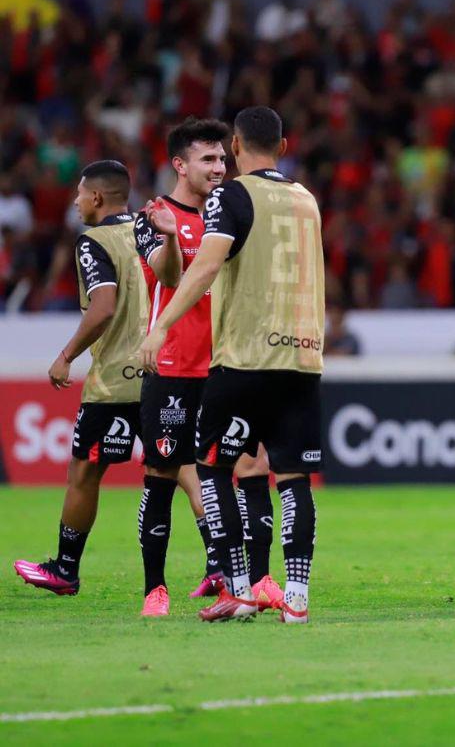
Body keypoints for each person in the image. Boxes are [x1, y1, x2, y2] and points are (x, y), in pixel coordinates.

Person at [138, 106, 325, 624]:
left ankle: (240, 588)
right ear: (284, 148)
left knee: (213, 465)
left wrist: (160, 325)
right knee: (291, 477)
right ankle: (298, 599)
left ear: (237, 147)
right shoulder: (307, 199)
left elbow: (206, 266)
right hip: (303, 355)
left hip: (245, 357)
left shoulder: (232, 195)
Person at [14, 161, 149, 596]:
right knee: (182, 467)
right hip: (165, 370)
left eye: (79, 193)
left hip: (117, 380)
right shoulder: (150, 230)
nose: (74, 201)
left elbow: (104, 306)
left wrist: (66, 355)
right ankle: (224, 567)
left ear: (96, 198)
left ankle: (65, 569)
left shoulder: (94, 240)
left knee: (85, 470)